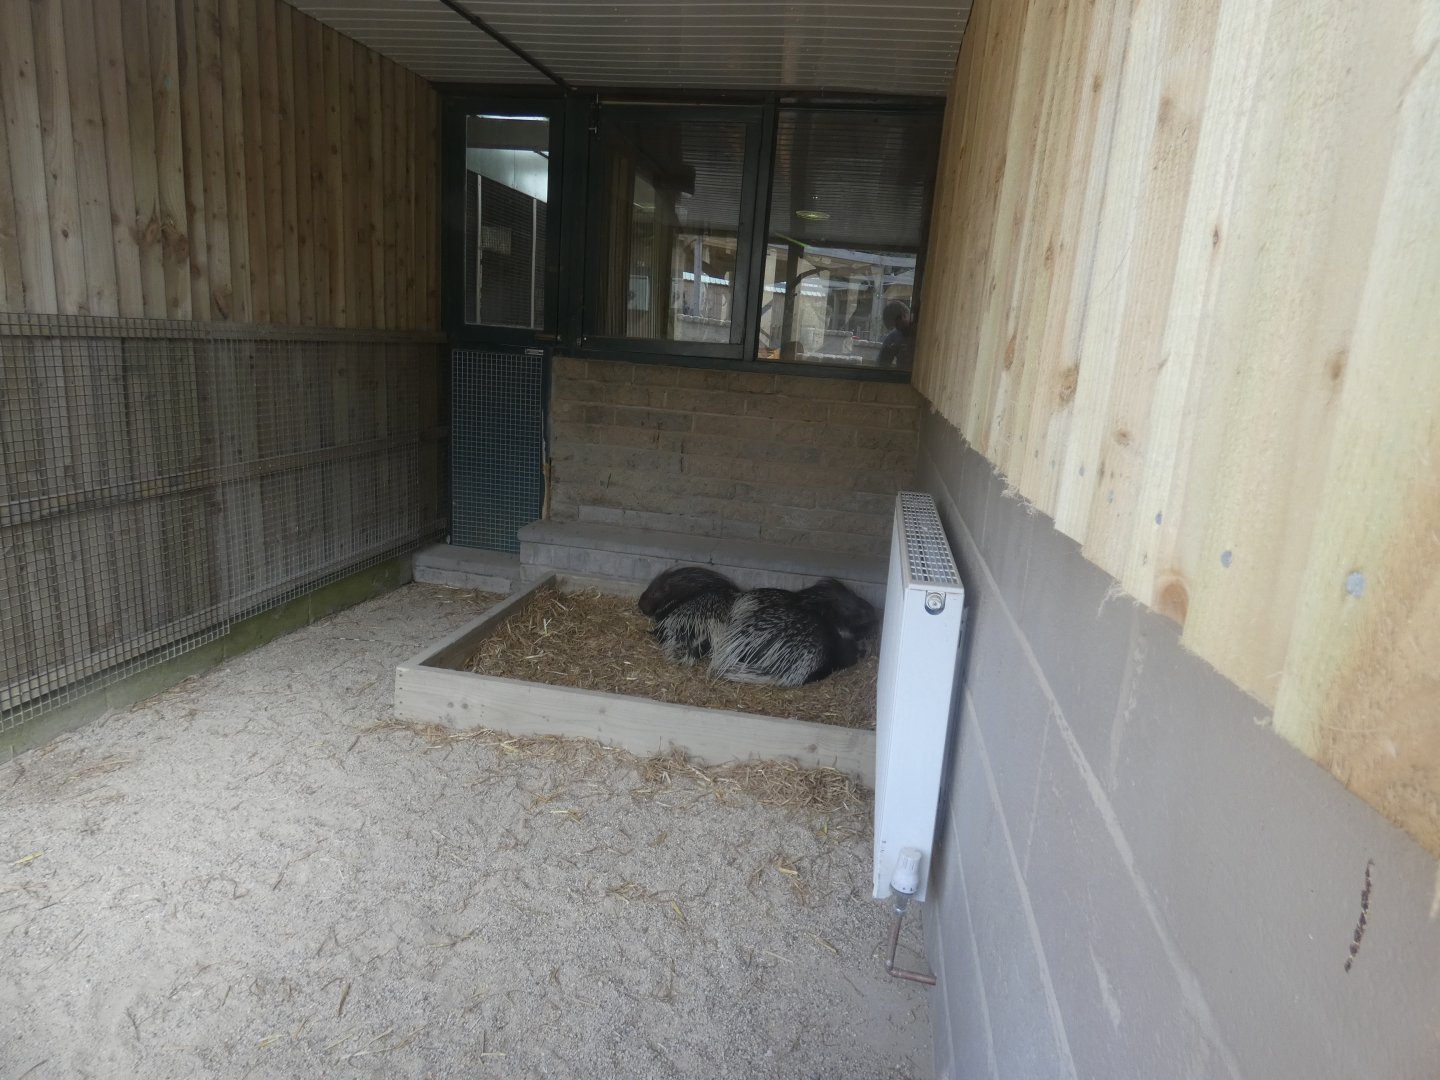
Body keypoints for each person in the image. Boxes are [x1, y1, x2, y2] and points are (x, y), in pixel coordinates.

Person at [878, 300, 915, 368]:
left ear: (904, 315)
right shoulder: (892, 337)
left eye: (897, 326)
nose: (897, 330)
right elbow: (881, 365)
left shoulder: (922, 333)